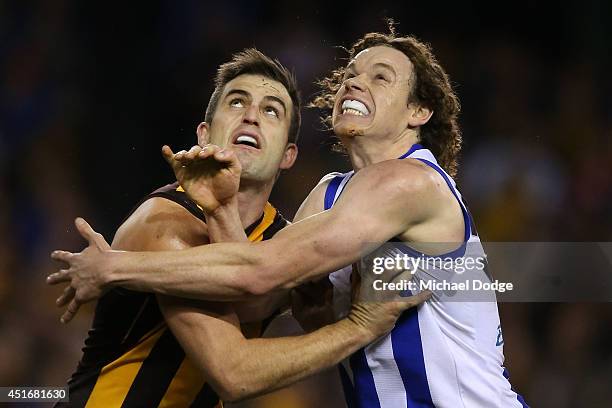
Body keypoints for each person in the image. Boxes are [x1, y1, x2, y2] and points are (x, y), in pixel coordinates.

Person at [50, 30, 528, 407]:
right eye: (350, 74)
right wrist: (220, 211)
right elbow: (254, 305)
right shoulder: (328, 196)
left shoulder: (411, 182)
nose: (353, 82)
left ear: (418, 111)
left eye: (380, 77)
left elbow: (258, 276)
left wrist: (115, 267)